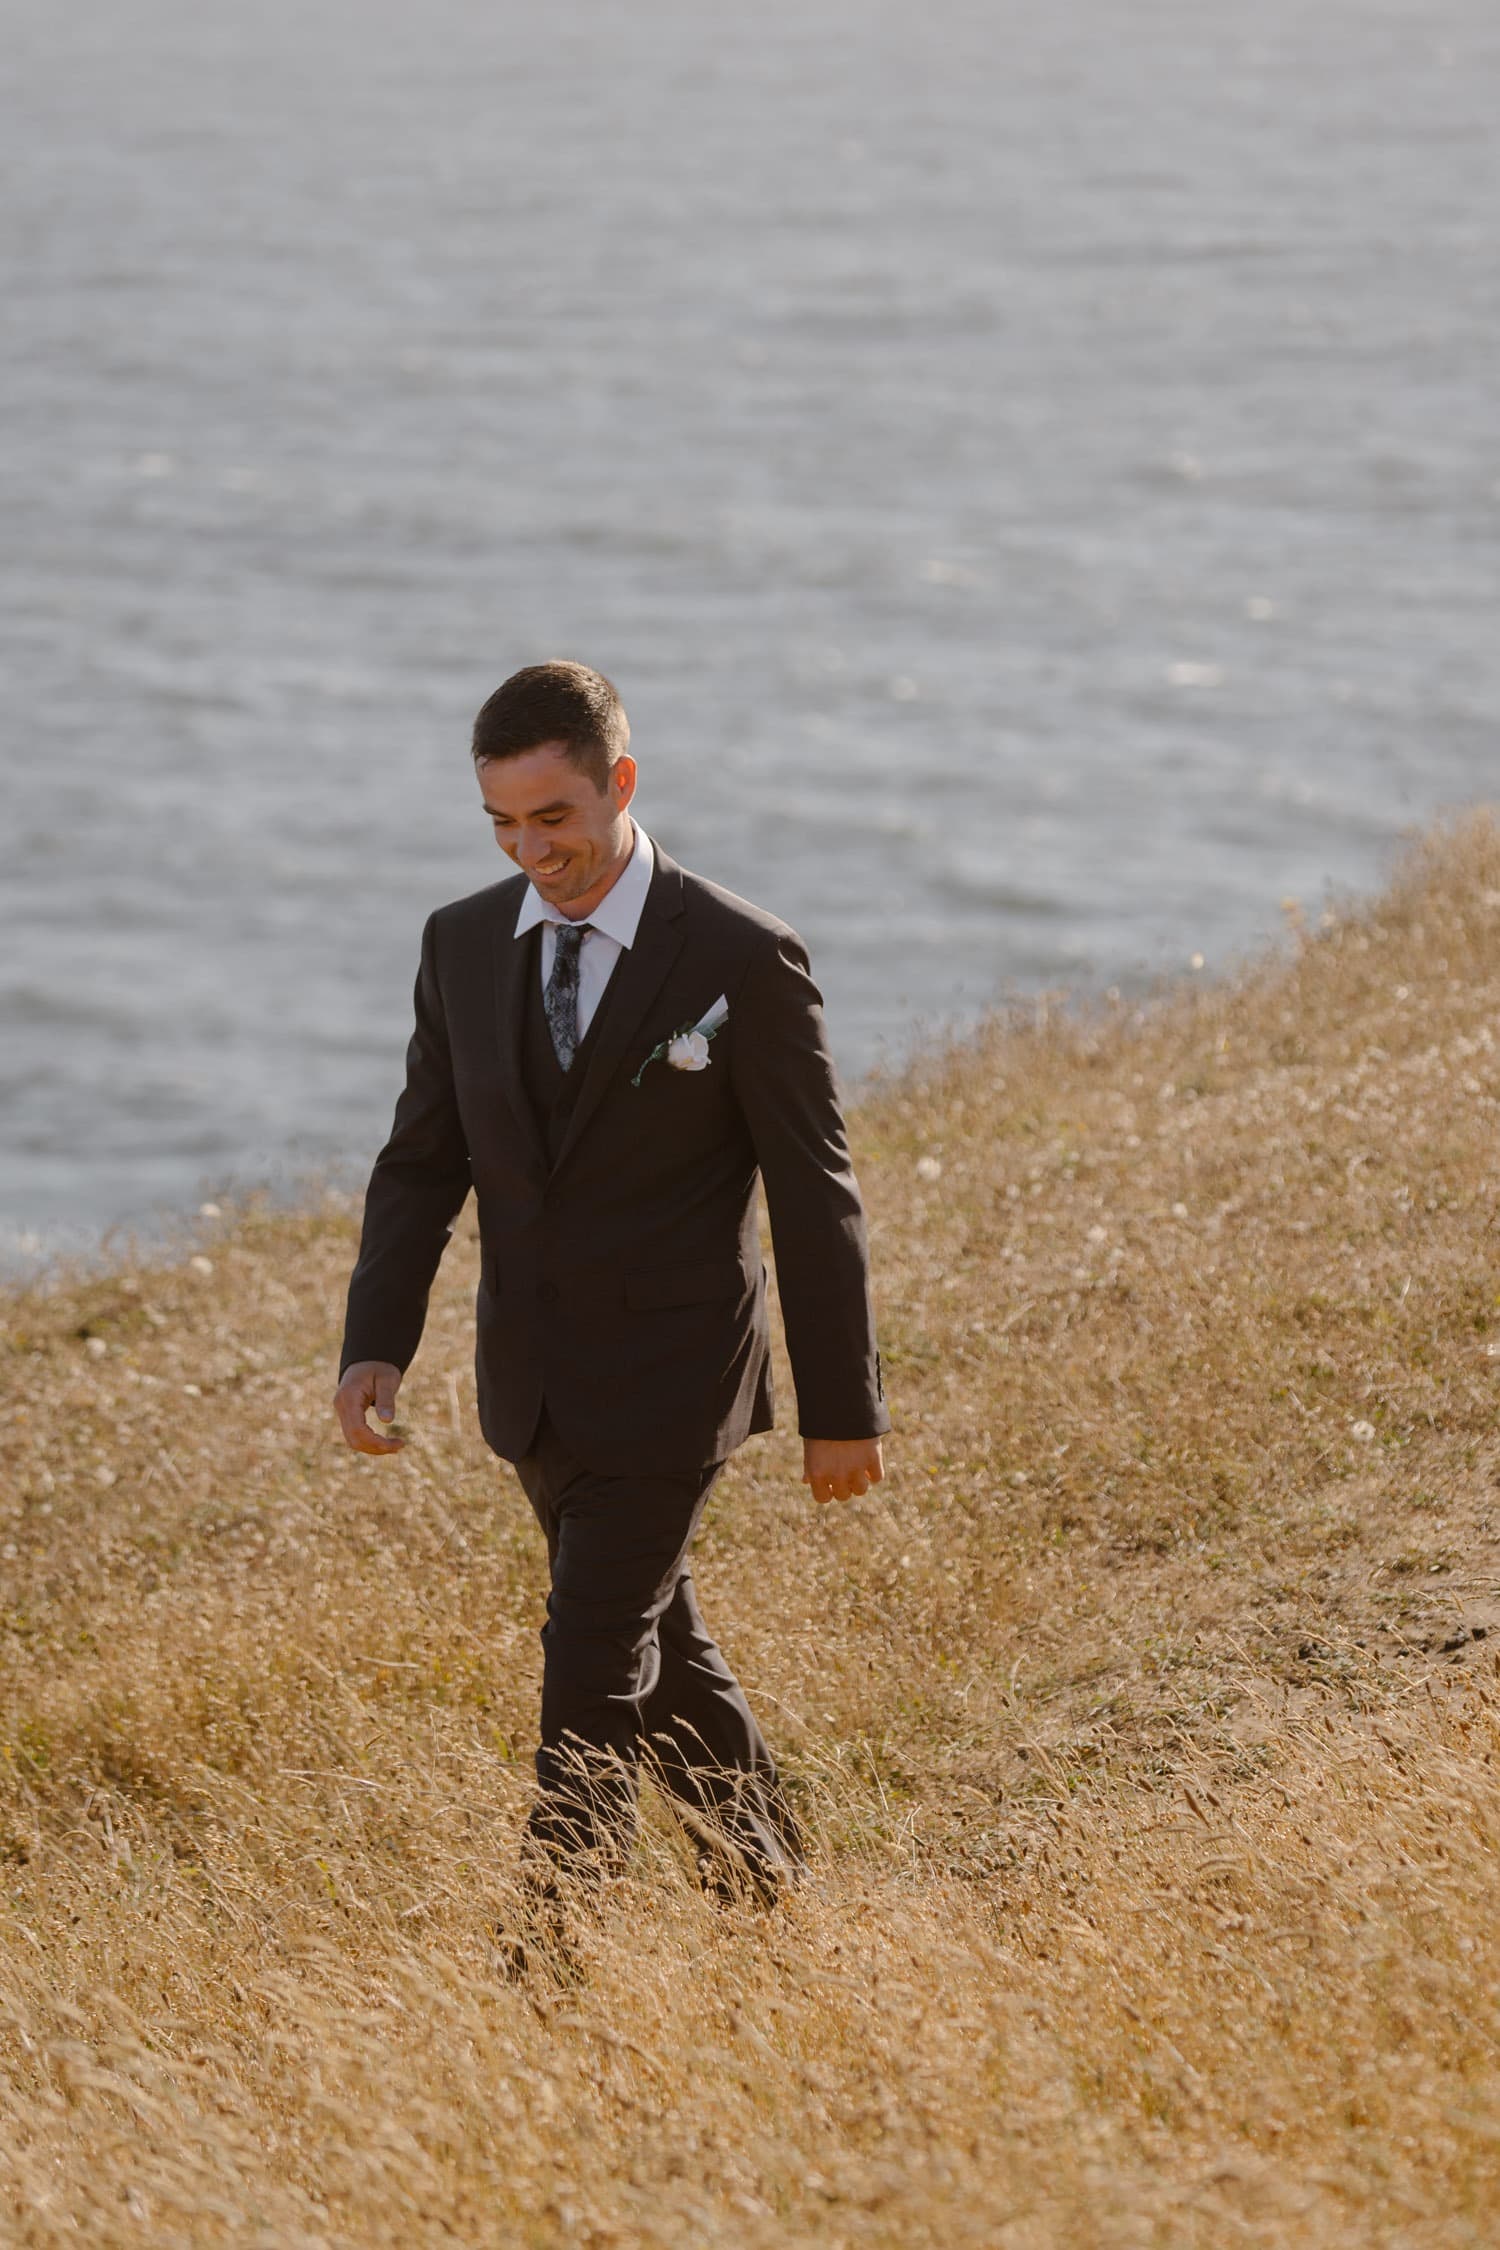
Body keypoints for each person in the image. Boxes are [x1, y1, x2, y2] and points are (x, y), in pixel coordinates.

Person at [333, 661, 888, 1908]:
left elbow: (814, 1192)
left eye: (556, 818)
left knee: (588, 1666)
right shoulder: (461, 944)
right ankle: (778, 1893)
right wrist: (377, 1341)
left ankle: (552, 1967)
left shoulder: (743, 955)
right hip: (533, 1388)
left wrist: (842, 1410)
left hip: (674, 1383)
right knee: (664, 1653)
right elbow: (422, 1162)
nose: (533, 850)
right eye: (504, 824)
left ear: (619, 784)